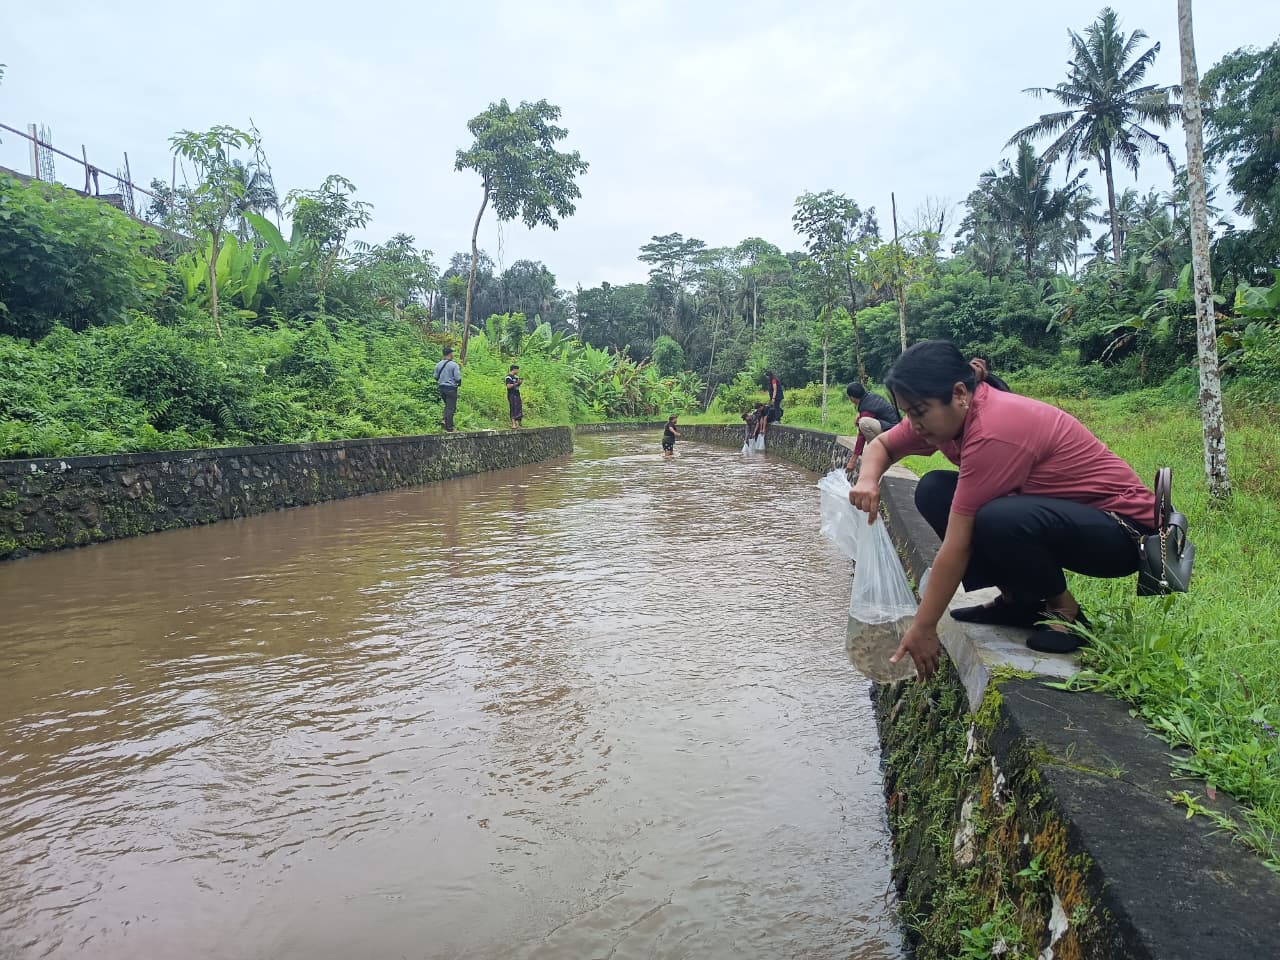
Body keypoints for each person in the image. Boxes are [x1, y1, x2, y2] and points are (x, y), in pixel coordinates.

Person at [847, 340, 1157, 679]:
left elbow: (958, 543)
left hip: (1124, 533)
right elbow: (883, 444)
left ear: (959, 393)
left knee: (998, 518)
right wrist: (868, 480)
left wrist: (923, 625)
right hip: (1066, 520)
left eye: (919, 412)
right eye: (908, 413)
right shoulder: (945, 415)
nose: (913, 423)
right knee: (934, 489)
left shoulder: (992, 430)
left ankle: (1064, 611)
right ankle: (1019, 602)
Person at [844, 381, 901, 466]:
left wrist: (853, 459)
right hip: (895, 431)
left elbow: (861, 435)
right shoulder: (870, 397)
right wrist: (859, 414)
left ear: (851, 397)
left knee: (863, 423)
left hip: (894, 437)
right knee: (862, 421)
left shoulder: (867, 408)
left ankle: (876, 452)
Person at [433, 345, 462, 433]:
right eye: (452, 353)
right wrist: (459, 383)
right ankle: (450, 428)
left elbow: (435, 376)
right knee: (451, 408)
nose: (453, 355)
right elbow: (457, 378)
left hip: (442, 388)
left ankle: (444, 420)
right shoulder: (454, 365)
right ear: (450, 354)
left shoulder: (438, 364)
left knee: (448, 406)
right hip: (451, 388)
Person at [760, 370, 784, 436]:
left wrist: (773, 398)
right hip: (775, 396)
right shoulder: (771, 380)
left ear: (769, 375)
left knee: (777, 407)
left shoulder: (774, 380)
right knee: (775, 407)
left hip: (777, 396)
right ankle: (776, 419)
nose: (767, 377)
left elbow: (775, 389)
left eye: (767, 376)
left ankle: (777, 420)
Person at [505, 364, 524, 429]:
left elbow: (517, 386)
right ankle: (513, 424)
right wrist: (516, 383)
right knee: (513, 408)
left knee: (519, 408)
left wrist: (519, 383)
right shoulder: (508, 377)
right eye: (517, 370)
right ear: (514, 369)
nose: (518, 371)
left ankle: (519, 424)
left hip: (517, 394)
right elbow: (508, 386)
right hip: (511, 395)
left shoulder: (516, 377)